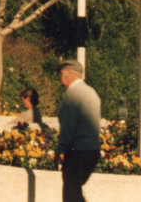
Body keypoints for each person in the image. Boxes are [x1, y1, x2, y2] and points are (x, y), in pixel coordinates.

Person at [55, 59, 101, 202]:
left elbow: (68, 128)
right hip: (92, 151)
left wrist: (59, 150)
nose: (60, 78)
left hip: (77, 151)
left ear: (67, 74)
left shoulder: (72, 94)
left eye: (61, 74)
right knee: (75, 192)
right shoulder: (91, 92)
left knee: (71, 195)